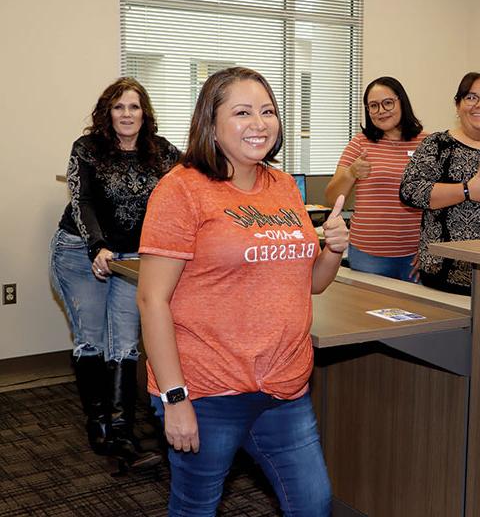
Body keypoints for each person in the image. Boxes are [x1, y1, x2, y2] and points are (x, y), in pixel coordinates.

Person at [136, 67, 347, 516]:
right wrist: (175, 398)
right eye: (243, 112)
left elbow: (308, 284)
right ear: (210, 123)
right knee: (196, 507)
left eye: (268, 111)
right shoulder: (182, 189)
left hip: (284, 387)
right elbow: (152, 299)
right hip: (208, 390)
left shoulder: (285, 186)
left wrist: (331, 250)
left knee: (313, 504)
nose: (260, 123)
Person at [50, 77, 180, 468]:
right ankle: (98, 425)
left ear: (145, 113)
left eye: (134, 107)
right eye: (119, 107)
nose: (127, 114)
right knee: (92, 340)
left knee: (124, 341)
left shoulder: (162, 153)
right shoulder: (87, 148)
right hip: (79, 251)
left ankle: (121, 433)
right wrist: (96, 246)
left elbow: (196, 181)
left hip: (132, 258)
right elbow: (82, 201)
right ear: (108, 113)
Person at [400, 72, 480, 294]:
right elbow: (410, 191)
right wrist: (465, 190)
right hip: (444, 277)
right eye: (471, 97)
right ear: (458, 105)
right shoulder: (438, 145)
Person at [325, 76, 427, 281]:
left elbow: (439, 201)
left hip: (414, 255)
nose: (381, 111)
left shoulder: (426, 143)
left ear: (402, 102)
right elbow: (331, 197)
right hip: (367, 254)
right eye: (373, 106)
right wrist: (351, 173)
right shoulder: (359, 143)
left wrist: (428, 247)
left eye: (387, 103)